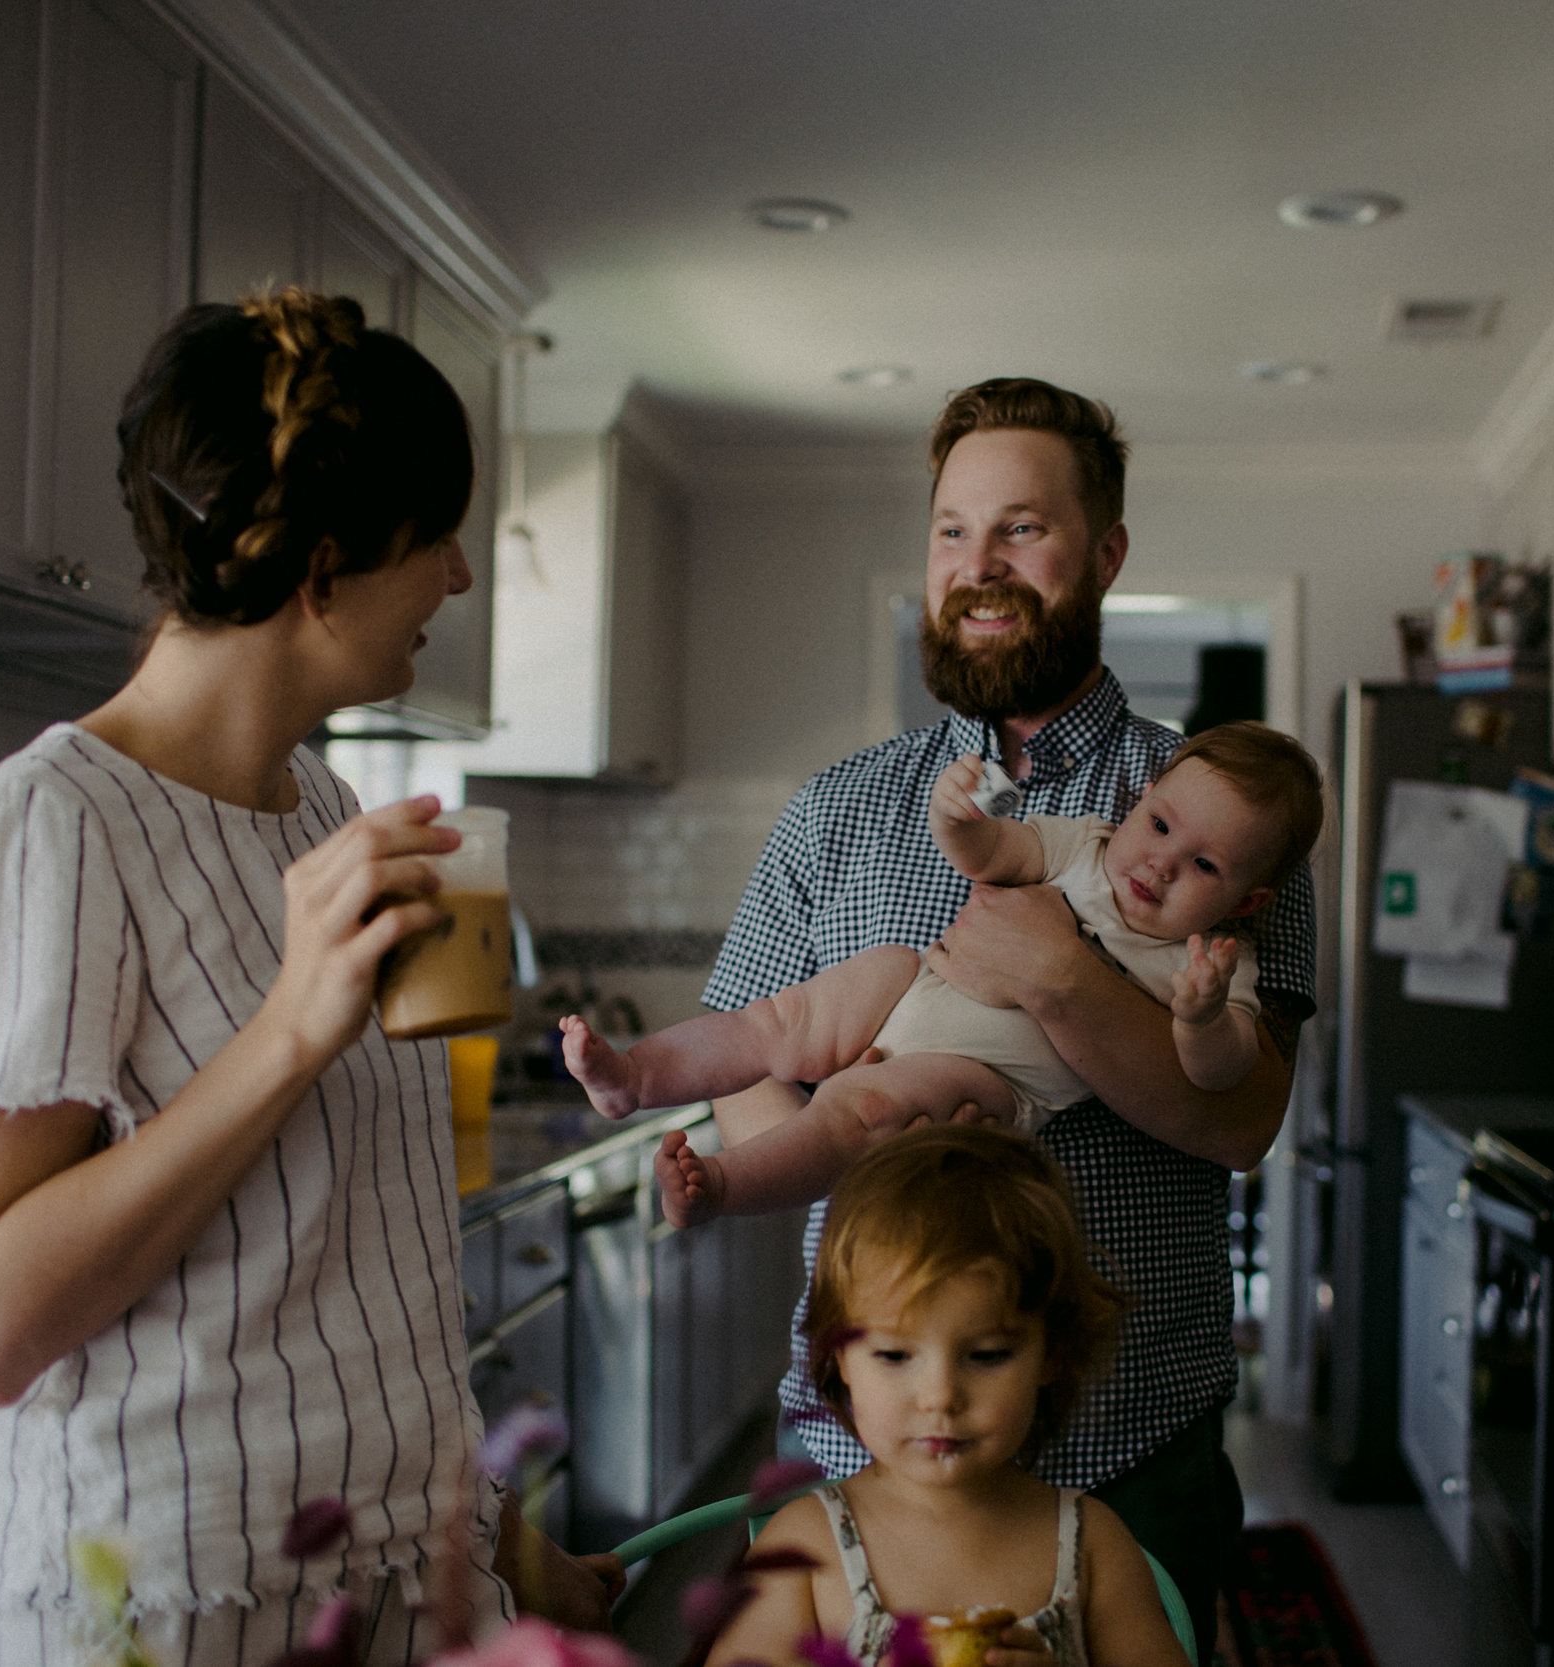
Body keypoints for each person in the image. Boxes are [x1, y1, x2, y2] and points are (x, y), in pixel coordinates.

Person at [0, 289, 619, 1667]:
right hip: (156, 1609)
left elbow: (359, 1271)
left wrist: (507, 1546)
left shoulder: (328, 806)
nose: (458, 580)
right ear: (325, 566)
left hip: (382, 1592)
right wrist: (287, 1029)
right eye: (440, 538)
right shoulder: (48, 825)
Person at [701, 378, 1317, 1651]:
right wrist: (865, 1151)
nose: (976, 566)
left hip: (1127, 1438)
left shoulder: (1215, 819)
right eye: (950, 530)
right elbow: (750, 1067)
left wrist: (1057, 976)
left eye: (1020, 529)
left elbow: (1245, 1115)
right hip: (857, 1446)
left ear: (1106, 553)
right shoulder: (838, 808)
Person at [558, 724, 1323, 1230]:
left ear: (1247, 898)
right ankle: (637, 1075)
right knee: (776, 1025)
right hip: (913, 988)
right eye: (1158, 826)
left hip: (988, 1082)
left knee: (859, 1106)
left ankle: (721, 1188)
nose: (1160, 862)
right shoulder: (1085, 843)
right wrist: (957, 818)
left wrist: (1197, 1016)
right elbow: (994, 854)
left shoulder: (1216, 961)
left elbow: (1227, 1085)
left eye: (1205, 866)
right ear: (1141, 805)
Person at [707, 1124, 1187, 1667]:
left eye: (986, 1356)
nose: (940, 1397)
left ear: (1050, 1353)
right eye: (893, 1356)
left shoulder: (1091, 1545)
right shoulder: (807, 1547)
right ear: (838, 1355)